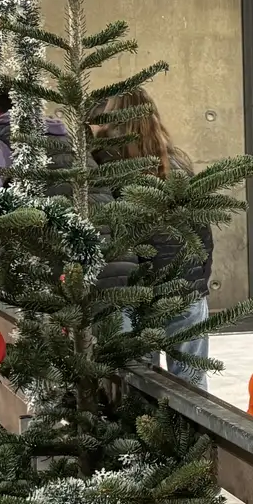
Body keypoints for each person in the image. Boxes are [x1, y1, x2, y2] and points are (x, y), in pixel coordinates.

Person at [91, 86, 212, 388]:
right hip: (185, 287)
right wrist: (199, 279)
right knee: (193, 387)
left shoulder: (100, 165)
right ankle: (193, 436)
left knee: (137, 389)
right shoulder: (177, 164)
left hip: (131, 292)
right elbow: (201, 230)